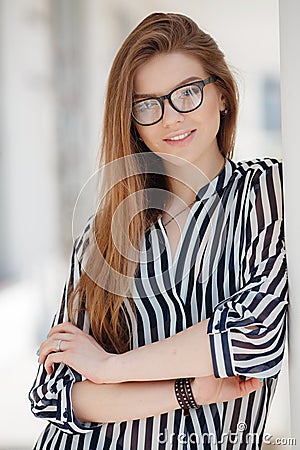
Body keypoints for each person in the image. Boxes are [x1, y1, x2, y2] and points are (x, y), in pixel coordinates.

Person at [29, 12, 288, 450]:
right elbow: (56, 393)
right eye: (148, 104)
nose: (171, 118)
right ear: (132, 120)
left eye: (188, 93)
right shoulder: (103, 232)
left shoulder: (265, 191)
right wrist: (189, 390)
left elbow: (253, 339)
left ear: (222, 96)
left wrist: (111, 368)